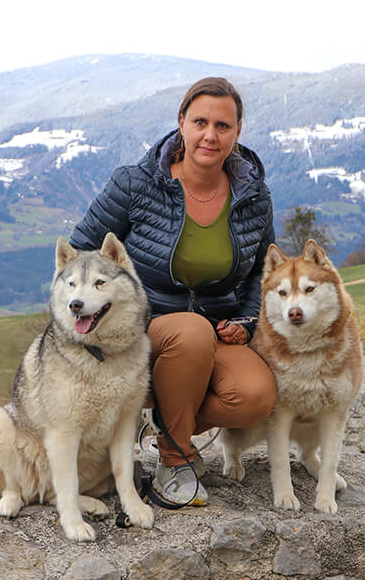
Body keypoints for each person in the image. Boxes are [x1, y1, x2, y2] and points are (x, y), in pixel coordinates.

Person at [70, 77, 277, 507]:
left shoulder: (253, 196)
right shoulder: (135, 184)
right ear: (181, 122)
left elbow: (263, 271)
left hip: (217, 331)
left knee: (255, 396)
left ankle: (165, 424)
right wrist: (88, 324)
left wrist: (246, 319)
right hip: (134, 332)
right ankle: (175, 460)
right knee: (188, 332)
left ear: (237, 132)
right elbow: (80, 256)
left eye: (223, 126)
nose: (210, 135)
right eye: (200, 121)